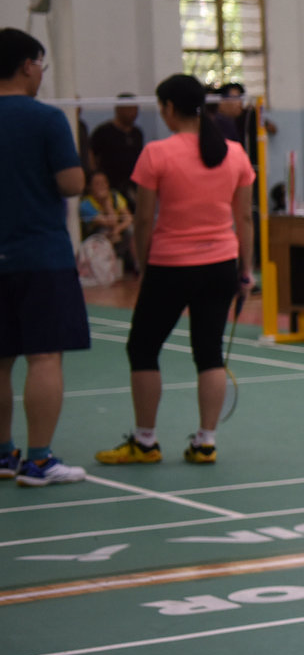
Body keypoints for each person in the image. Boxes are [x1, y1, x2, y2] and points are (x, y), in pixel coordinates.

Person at [95, 72, 255, 467]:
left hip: (170, 266)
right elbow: (245, 219)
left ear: (168, 108)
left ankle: (145, 441)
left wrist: (142, 263)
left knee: (143, 348)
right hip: (221, 265)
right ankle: (206, 442)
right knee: (209, 353)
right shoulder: (235, 153)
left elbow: (144, 220)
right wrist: (245, 271)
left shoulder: (157, 154)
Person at [0, 29, 92, 486]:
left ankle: (3, 455)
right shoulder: (47, 119)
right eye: (41, 66)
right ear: (27, 66)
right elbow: (72, 183)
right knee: (43, 356)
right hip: (39, 255)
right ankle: (38, 461)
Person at [79, 171, 136, 273]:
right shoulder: (85, 204)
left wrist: (117, 229)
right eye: (97, 184)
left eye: (104, 182)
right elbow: (110, 222)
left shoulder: (114, 196)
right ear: (89, 187)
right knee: (105, 231)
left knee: (131, 230)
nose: (102, 186)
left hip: (117, 232)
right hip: (97, 238)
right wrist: (106, 202)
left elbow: (128, 218)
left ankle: (135, 265)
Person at [89, 94, 145, 196]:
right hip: (111, 185)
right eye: (129, 109)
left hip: (132, 185)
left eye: (135, 109)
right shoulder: (103, 131)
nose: (133, 113)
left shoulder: (137, 133)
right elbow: (91, 155)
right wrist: (95, 176)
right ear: (119, 109)